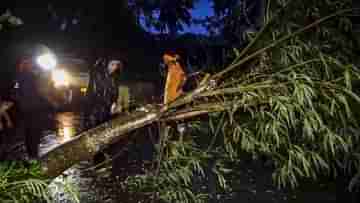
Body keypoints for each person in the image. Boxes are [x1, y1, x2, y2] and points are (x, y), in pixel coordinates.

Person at [15, 58, 54, 159]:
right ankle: (33, 155)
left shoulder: (26, 76)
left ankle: (32, 155)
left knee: (31, 132)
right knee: (33, 132)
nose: (30, 65)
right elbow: (16, 91)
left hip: (30, 108)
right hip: (32, 108)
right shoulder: (26, 77)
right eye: (28, 64)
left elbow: (16, 92)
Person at [84, 57, 123, 129]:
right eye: (112, 64)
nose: (114, 67)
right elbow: (93, 93)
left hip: (106, 110)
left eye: (116, 65)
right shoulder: (98, 74)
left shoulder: (114, 77)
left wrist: (114, 103)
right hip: (95, 110)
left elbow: (114, 92)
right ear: (107, 64)